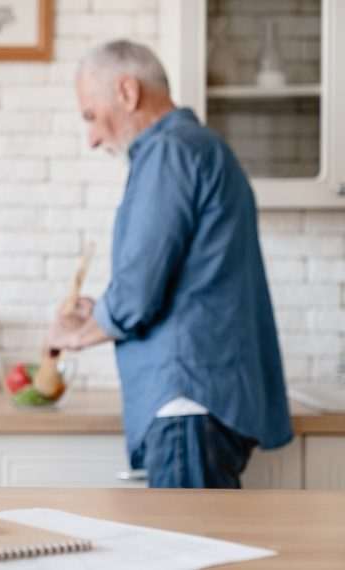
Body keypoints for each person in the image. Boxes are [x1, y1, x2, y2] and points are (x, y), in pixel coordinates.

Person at [47, 40, 293, 488]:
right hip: (205, 402)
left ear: (127, 91)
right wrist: (99, 314)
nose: (93, 139)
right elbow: (180, 284)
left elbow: (138, 290)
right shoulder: (200, 148)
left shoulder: (169, 152)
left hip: (187, 402)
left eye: (89, 116)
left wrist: (75, 334)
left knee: (188, 554)